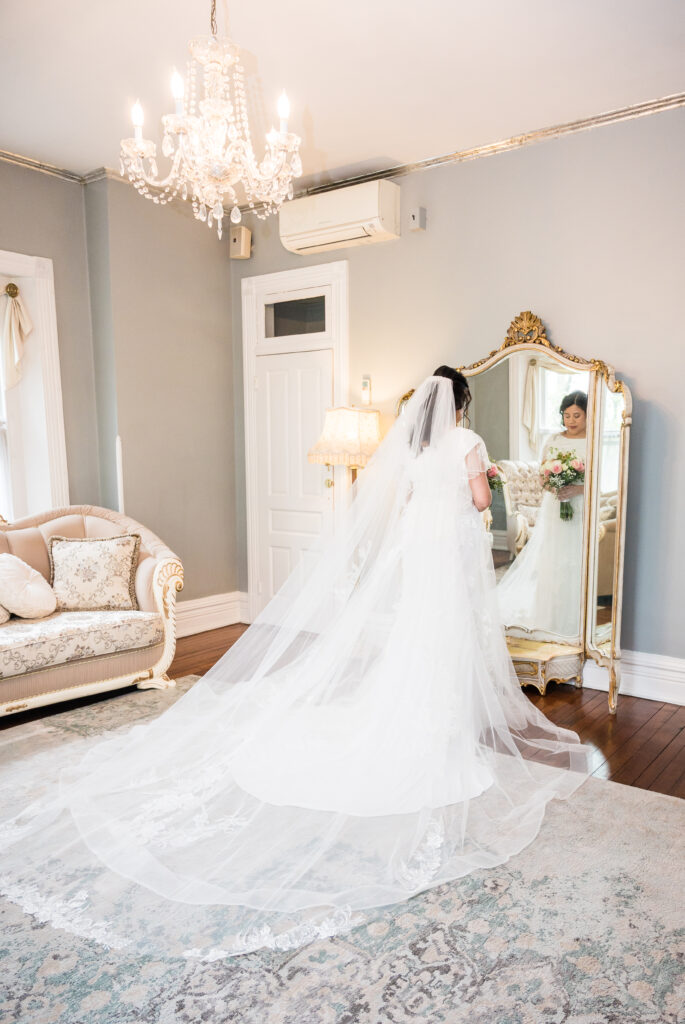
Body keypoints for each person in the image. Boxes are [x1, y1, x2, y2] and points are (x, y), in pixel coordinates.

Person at [0, 369, 589, 960]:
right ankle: (442, 720)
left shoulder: (417, 449)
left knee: (419, 630)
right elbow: (483, 501)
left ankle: (420, 710)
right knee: (451, 630)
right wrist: (477, 486)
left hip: (421, 547)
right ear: (461, 403)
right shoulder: (468, 444)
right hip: (454, 546)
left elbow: (410, 502)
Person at [497, 391, 588, 640]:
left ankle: (575, 618)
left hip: (579, 507)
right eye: (567, 415)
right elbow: (542, 477)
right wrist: (555, 485)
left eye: (577, 415)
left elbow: (597, 480)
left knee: (575, 560)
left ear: (588, 415)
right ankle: (550, 615)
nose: (571, 420)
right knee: (553, 558)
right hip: (555, 506)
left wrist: (577, 489)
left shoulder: (593, 441)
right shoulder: (553, 440)